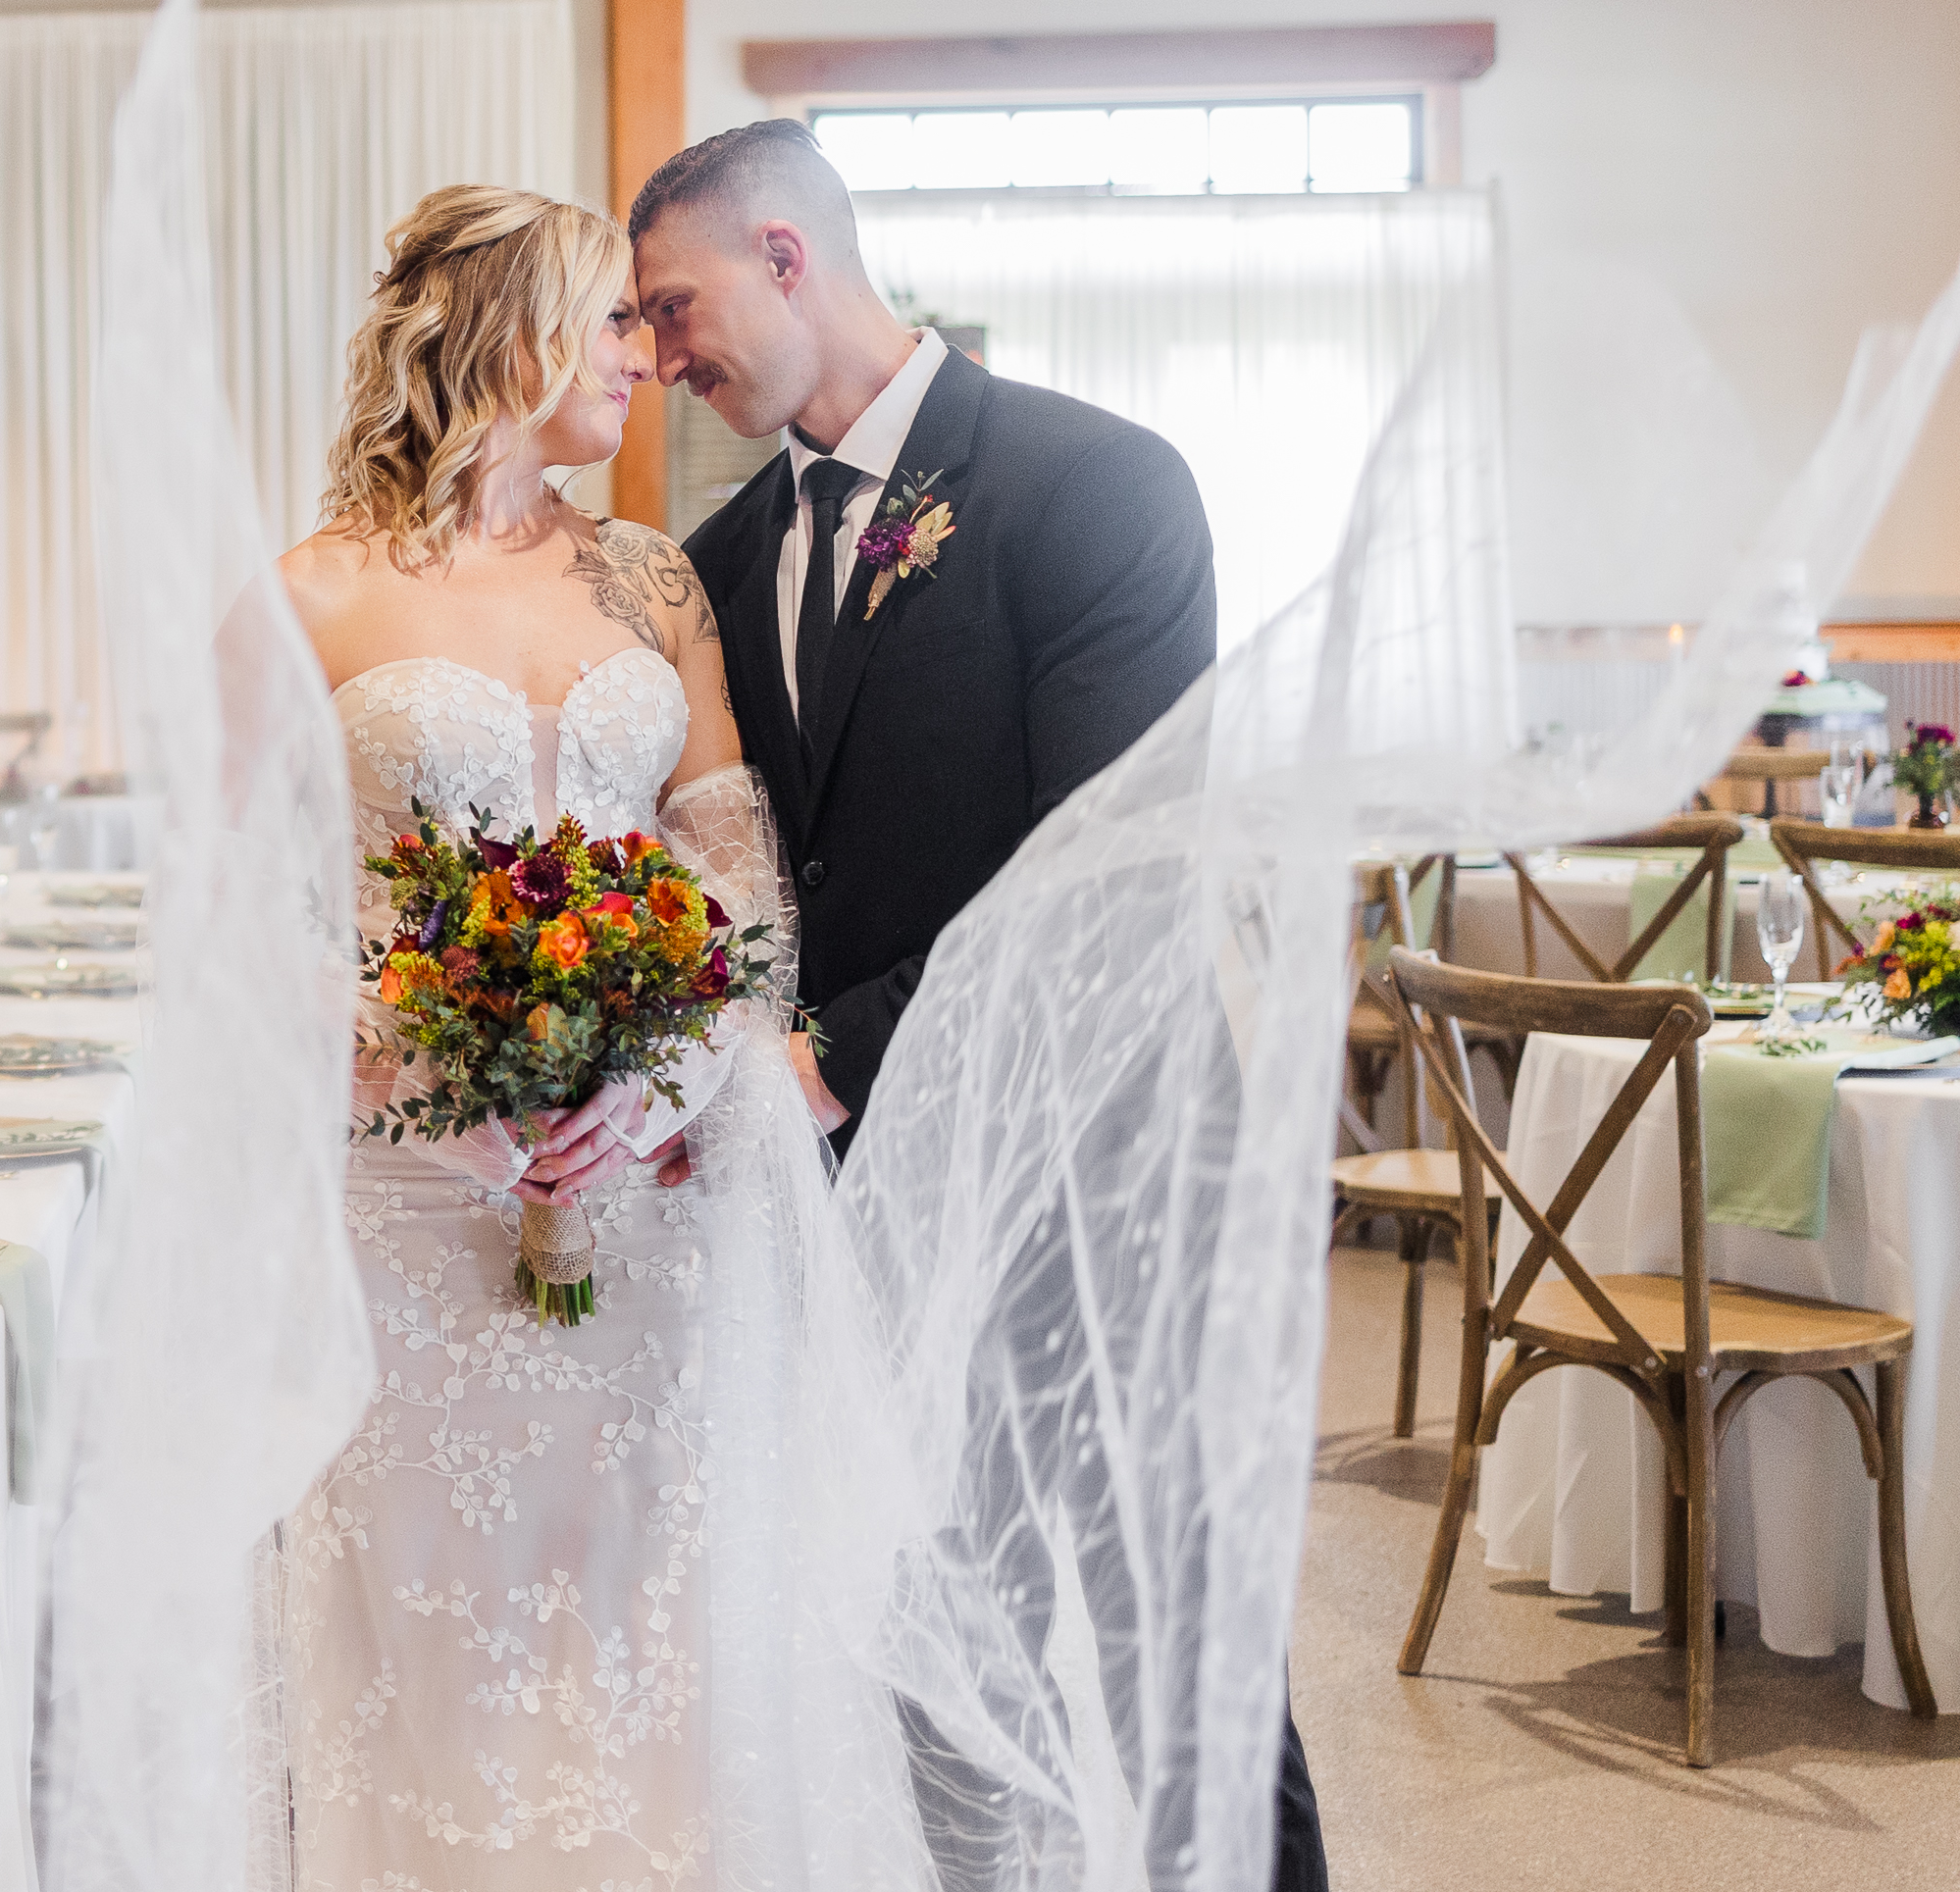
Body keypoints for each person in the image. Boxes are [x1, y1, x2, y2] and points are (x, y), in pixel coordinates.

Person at [629, 117, 1328, 1892]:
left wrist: (820, 1064)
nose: (659, 353)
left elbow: (1111, 876)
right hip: (865, 1225)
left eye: (676, 302)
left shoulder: (1095, 485)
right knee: (922, 1653)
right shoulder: (714, 567)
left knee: (1179, 1661)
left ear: (788, 256)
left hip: (1102, 1187)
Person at [269, 182, 911, 1888]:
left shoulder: (652, 584)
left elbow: (733, 870)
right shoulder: (308, 596)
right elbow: (237, 913)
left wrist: (665, 1080)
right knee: (435, 1643)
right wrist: (407, 1075)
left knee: (654, 1629)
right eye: (612, 320)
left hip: (654, 1193)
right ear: (506, 335)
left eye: (649, 318)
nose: (646, 352)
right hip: (407, 1213)